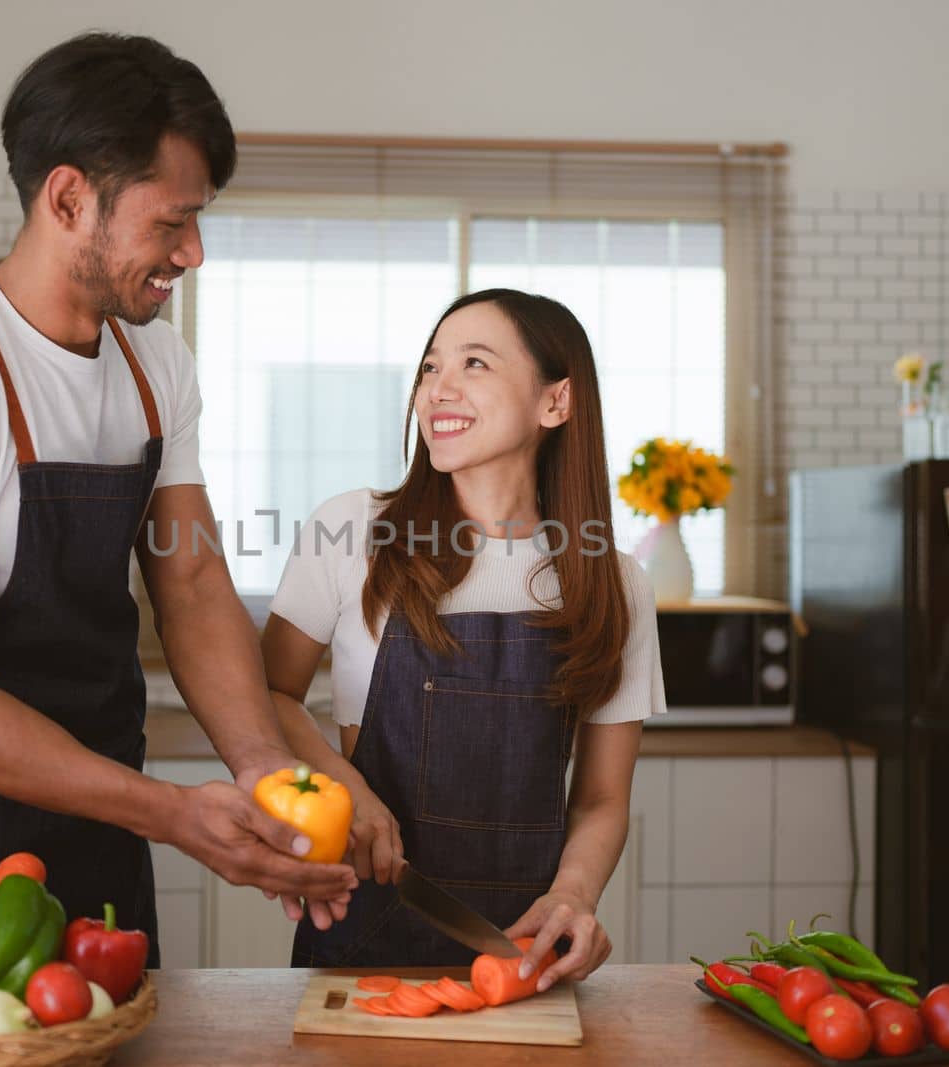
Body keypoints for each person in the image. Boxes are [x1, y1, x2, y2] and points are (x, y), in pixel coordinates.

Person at [0, 33, 355, 955]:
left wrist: (272, 775)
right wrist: (168, 812)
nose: (193, 252)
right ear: (70, 198)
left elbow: (190, 587)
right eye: (171, 222)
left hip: (107, 826)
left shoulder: (156, 362)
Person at [262, 289, 666, 988]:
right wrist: (342, 782)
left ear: (555, 402)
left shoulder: (612, 583)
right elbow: (266, 693)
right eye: (428, 368)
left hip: (522, 955)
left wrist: (573, 896)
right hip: (364, 940)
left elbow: (601, 797)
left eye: (474, 363)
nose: (436, 390)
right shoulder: (352, 532)